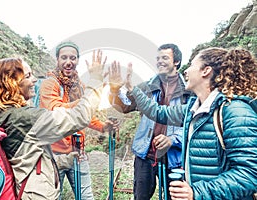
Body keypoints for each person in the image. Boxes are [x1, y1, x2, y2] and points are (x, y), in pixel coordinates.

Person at [109, 47, 257, 199]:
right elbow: (158, 112)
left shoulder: (236, 111)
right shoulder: (193, 108)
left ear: (205, 71)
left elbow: (250, 173)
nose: (187, 71)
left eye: (192, 65)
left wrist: (197, 192)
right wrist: (131, 88)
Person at [0, 51, 105, 200]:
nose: (34, 80)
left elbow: (25, 158)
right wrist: (96, 81)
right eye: (28, 76)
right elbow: (79, 117)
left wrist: (66, 160)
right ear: (11, 83)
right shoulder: (25, 119)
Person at [109, 43, 191, 199]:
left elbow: (191, 124)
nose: (160, 61)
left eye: (165, 57)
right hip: (145, 154)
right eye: (158, 58)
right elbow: (124, 106)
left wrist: (172, 140)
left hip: (174, 157)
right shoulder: (146, 87)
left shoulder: (188, 90)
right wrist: (114, 90)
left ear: (176, 62)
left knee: (174, 197)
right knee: (141, 196)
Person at [38, 41, 118, 200]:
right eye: (64, 58)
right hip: (53, 155)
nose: (69, 62)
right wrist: (86, 99)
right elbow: (56, 110)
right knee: (52, 197)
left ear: (78, 60)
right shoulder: (49, 84)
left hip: (77, 153)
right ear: (57, 60)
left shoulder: (79, 85)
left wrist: (102, 127)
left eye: (73, 58)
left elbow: (85, 114)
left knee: (87, 197)